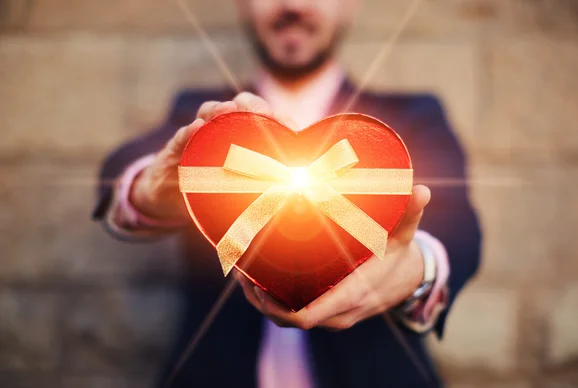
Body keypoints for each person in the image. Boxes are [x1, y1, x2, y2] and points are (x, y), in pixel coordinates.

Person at [93, 0, 481, 387]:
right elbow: (121, 168)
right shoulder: (202, 119)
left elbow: (458, 229)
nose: (293, 4)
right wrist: (149, 190)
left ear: (351, 7)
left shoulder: (411, 120)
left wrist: (414, 269)